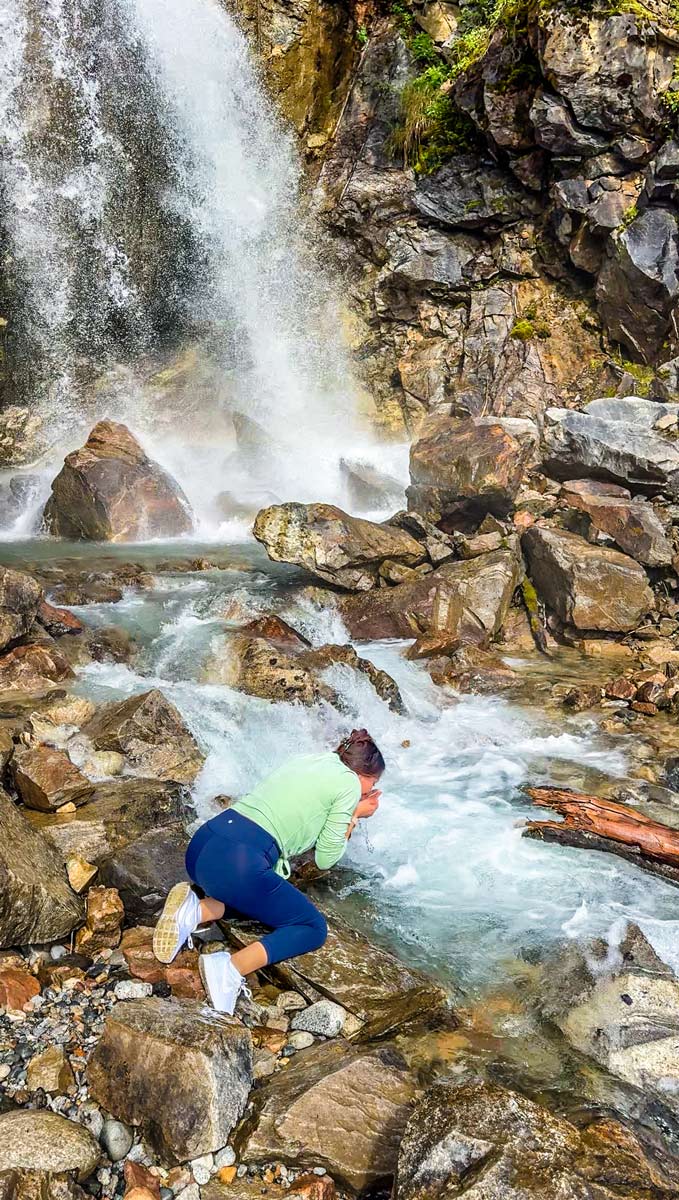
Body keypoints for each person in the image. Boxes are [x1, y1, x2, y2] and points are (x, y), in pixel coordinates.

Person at [152, 728, 384, 1014]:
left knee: (264, 903)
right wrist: (355, 813)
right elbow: (326, 858)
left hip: (204, 846)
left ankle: (195, 911)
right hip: (237, 863)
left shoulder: (310, 760)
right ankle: (230, 968)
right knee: (311, 927)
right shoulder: (349, 785)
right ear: (363, 774)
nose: (369, 793)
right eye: (372, 785)